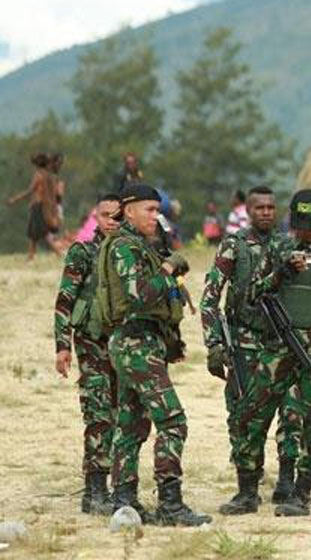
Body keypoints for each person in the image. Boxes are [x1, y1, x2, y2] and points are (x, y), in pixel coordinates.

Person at [228, 189, 311, 517]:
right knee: (251, 414)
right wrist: (281, 273)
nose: (302, 230)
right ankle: (247, 490)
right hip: (278, 350)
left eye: (309, 223)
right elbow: (251, 294)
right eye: (297, 223)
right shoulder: (278, 247)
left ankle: (300, 492)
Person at [97, 184, 210, 526]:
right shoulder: (125, 248)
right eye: (149, 209)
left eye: (157, 210)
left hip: (139, 344)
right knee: (173, 421)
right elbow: (139, 296)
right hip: (135, 346)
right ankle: (170, 505)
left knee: (131, 425)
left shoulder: (138, 246)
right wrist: (167, 270)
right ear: (128, 210)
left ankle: (124, 501)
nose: (155, 217)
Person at [200, 186, 303, 514]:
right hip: (244, 342)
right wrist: (214, 344)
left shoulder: (288, 245)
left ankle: (287, 480)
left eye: (272, 207)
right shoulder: (235, 245)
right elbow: (209, 298)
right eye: (260, 207)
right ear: (247, 210)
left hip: (282, 341)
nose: (267, 213)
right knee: (244, 415)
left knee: (291, 411)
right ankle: (247, 489)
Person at [54, 193, 122, 515]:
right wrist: (62, 346)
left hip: (123, 347)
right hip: (92, 345)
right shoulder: (83, 253)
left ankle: (119, 486)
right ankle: (95, 489)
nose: (111, 221)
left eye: (117, 216)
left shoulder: (129, 255)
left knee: (123, 414)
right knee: (98, 414)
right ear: (96, 216)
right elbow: (64, 300)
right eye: (106, 215)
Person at [6, 153, 62, 260]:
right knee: (33, 233)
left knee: (42, 233)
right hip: (40, 206)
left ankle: (58, 253)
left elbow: (30, 191)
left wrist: (15, 199)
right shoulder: (47, 175)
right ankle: (30, 256)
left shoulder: (38, 175)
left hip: (37, 207)